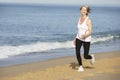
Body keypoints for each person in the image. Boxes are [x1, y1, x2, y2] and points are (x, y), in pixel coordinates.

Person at [73, 6, 95, 72]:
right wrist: (75, 38)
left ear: (87, 11)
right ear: (80, 10)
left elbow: (91, 32)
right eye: (82, 9)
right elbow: (79, 30)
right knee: (77, 52)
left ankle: (91, 57)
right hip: (79, 38)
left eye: (85, 10)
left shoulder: (88, 20)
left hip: (86, 39)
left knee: (85, 56)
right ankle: (80, 66)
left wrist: (85, 35)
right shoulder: (79, 18)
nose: (83, 10)